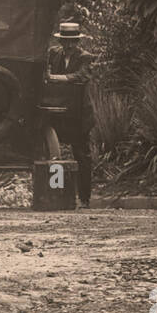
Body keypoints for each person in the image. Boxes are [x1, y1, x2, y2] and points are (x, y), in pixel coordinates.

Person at [45, 21, 96, 205]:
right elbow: (44, 68)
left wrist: (54, 78)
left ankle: (84, 198)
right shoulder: (54, 53)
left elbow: (81, 76)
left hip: (78, 114)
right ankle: (55, 195)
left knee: (82, 156)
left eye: (73, 41)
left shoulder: (86, 57)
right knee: (53, 154)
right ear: (61, 41)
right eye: (66, 41)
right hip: (58, 111)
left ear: (77, 42)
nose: (69, 45)